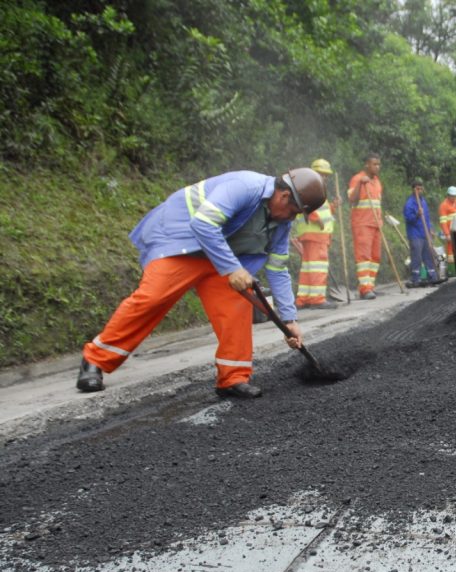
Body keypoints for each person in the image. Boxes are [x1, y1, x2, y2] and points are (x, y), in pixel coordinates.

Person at [76, 168, 327, 398]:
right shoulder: (244, 186)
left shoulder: (281, 222)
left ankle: (232, 378)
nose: (292, 218)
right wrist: (232, 268)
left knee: (237, 305)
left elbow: (278, 268)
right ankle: (95, 360)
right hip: (181, 240)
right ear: (283, 196)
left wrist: (289, 319)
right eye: (294, 211)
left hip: (221, 256)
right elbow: (203, 224)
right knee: (153, 298)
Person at [292, 158, 338, 309]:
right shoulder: (311, 188)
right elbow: (306, 207)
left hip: (312, 235)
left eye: (326, 175)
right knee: (318, 266)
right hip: (316, 235)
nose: (324, 177)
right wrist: (316, 220)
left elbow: (320, 210)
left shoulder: (313, 188)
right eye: (321, 174)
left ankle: (303, 298)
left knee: (308, 267)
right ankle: (317, 299)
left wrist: (332, 207)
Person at [347, 153, 383, 300]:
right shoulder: (357, 179)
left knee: (375, 257)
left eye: (378, 164)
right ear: (367, 165)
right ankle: (364, 288)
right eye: (374, 164)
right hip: (362, 224)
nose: (377, 167)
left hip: (376, 224)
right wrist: (360, 184)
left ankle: (370, 286)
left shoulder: (377, 182)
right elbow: (352, 200)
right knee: (364, 258)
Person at [403, 181, 440, 287]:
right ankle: (416, 279)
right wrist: (417, 215)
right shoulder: (409, 203)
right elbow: (408, 219)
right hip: (415, 234)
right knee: (417, 257)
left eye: (421, 189)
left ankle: (432, 277)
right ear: (413, 189)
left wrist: (431, 229)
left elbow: (427, 218)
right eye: (417, 189)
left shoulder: (423, 201)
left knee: (428, 256)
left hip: (425, 233)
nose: (419, 191)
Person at [438, 186, 456, 278]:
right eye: (452, 196)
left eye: (455, 196)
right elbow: (443, 222)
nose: (454, 198)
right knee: (450, 253)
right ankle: (452, 272)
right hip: (451, 232)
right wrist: (447, 234)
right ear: (448, 195)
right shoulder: (443, 206)